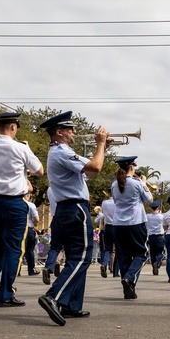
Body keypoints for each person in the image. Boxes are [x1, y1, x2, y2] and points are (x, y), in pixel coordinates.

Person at [37, 112, 109, 325]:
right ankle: (53, 297)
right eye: (70, 129)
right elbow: (96, 169)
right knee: (82, 258)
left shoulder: (61, 153)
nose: (75, 132)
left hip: (66, 210)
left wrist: (102, 146)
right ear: (59, 132)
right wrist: (101, 144)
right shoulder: (61, 152)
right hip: (75, 208)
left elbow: (89, 169)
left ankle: (71, 305)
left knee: (75, 257)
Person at [0, 111, 44, 307]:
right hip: (14, 202)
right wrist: (28, 150)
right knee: (14, 248)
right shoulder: (20, 148)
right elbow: (40, 171)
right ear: (13, 127)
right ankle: (6, 292)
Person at [110, 157, 152, 299]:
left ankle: (128, 289)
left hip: (118, 224)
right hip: (135, 222)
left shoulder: (114, 184)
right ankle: (130, 278)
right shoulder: (137, 183)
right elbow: (149, 200)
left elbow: (116, 201)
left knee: (124, 256)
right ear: (132, 168)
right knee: (141, 253)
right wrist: (144, 182)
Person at [99, 193, 117, 278]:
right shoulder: (118, 202)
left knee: (107, 249)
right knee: (118, 249)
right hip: (117, 226)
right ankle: (115, 270)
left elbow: (103, 213)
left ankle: (104, 263)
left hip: (108, 226)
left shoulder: (104, 202)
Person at [145, 200, 165, 276]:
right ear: (158, 207)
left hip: (150, 236)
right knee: (160, 252)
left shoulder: (148, 216)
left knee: (152, 252)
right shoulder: (161, 216)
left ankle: (154, 264)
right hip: (159, 235)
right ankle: (157, 262)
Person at [23, 193, 40, 276]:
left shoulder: (16, 204)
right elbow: (36, 219)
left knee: (18, 250)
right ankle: (31, 269)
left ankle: (16, 270)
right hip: (29, 228)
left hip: (18, 229)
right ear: (28, 195)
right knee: (30, 250)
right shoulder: (31, 205)